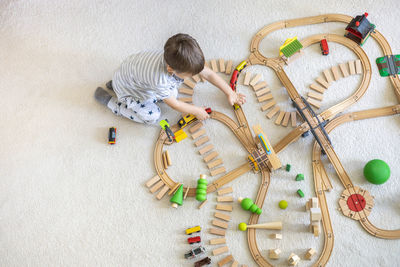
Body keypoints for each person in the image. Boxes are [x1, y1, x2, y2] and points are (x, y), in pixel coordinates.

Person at [94, 33, 246, 124]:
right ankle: (114, 104)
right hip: (132, 89)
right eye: (190, 75)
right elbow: (174, 105)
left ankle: (116, 84)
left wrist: (229, 92)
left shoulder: (172, 57)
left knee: (171, 92)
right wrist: (196, 111)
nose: (193, 76)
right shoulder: (160, 80)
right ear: (170, 69)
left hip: (129, 76)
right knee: (152, 116)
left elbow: (209, 73)